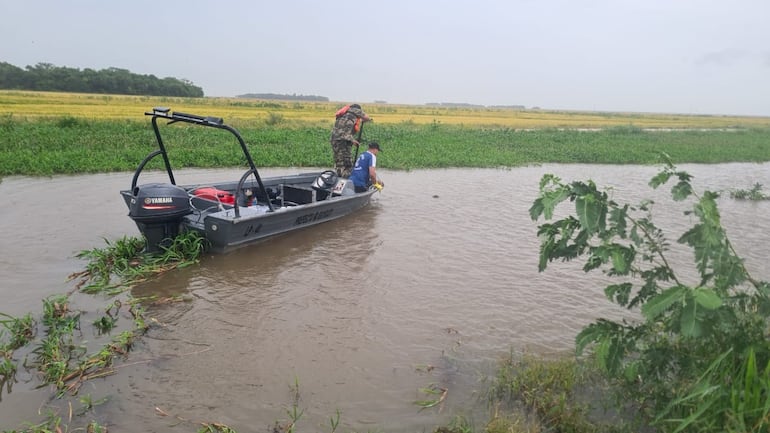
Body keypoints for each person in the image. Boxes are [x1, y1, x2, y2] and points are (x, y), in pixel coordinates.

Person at [329, 103, 371, 177]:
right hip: (343, 140)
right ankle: (346, 179)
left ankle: (338, 177)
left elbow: (343, 130)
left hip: (334, 139)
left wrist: (352, 140)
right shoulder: (355, 110)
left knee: (339, 161)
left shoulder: (344, 115)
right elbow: (367, 118)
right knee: (347, 162)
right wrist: (366, 119)